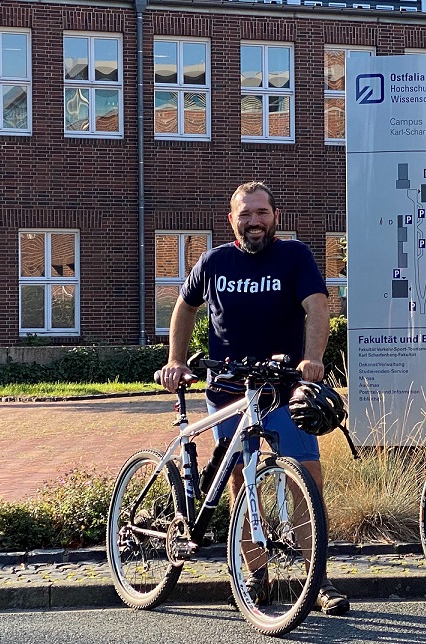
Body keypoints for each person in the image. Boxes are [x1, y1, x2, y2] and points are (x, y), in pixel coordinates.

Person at [160, 181, 350, 616]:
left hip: (283, 389)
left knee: (307, 475)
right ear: (232, 220)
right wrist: (175, 359)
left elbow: (318, 306)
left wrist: (313, 359)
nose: (254, 221)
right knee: (241, 482)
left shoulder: (294, 257)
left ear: (275, 216)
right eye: (245, 214)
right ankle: (255, 574)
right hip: (228, 390)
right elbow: (185, 306)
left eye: (261, 212)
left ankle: (316, 580)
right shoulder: (214, 261)